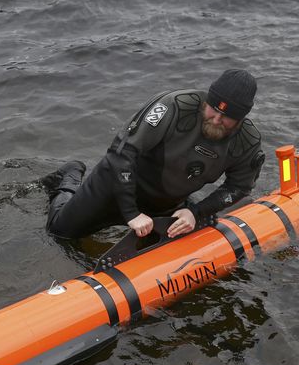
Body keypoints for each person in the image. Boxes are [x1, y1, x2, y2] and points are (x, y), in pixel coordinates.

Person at [43, 69, 265, 240]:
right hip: (113, 188)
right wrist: (131, 213)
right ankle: (70, 176)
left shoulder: (247, 141)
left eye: (227, 117)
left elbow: (240, 186)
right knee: (60, 232)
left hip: (165, 203)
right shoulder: (174, 106)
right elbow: (121, 154)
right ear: (207, 101)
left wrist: (196, 213)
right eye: (213, 109)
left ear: (240, 118)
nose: (216, 119)